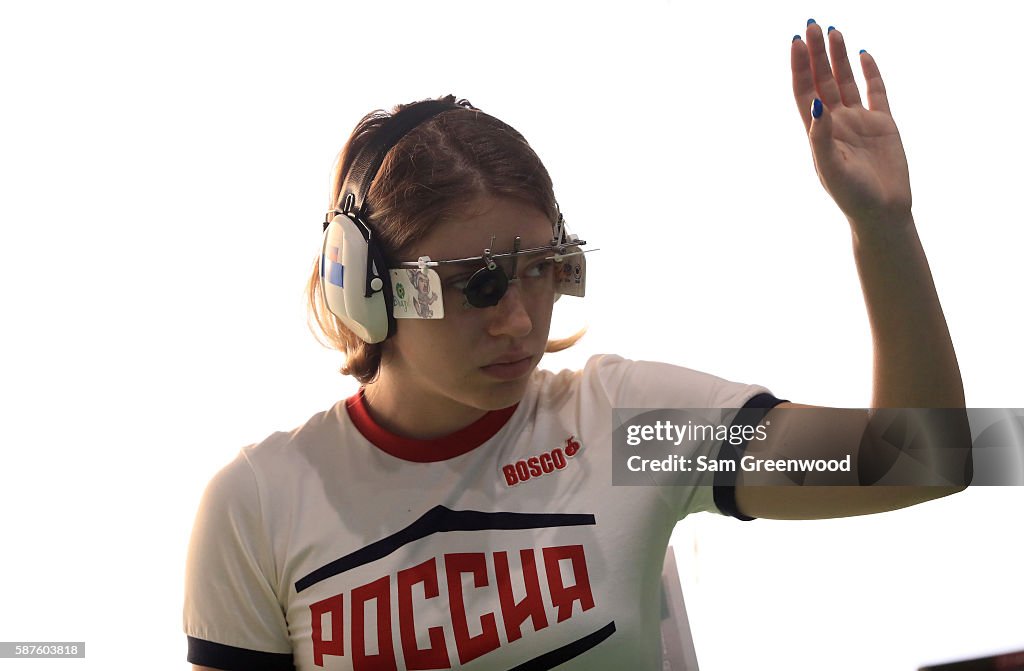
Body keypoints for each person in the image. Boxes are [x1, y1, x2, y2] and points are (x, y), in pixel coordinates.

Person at [183, 20, 969, 671]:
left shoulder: (621, 424)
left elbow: (919, 458)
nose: (521, 322)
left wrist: (884, 229)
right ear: (365, 286)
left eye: (545, 271)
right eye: (480, 285)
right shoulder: (257, 505)